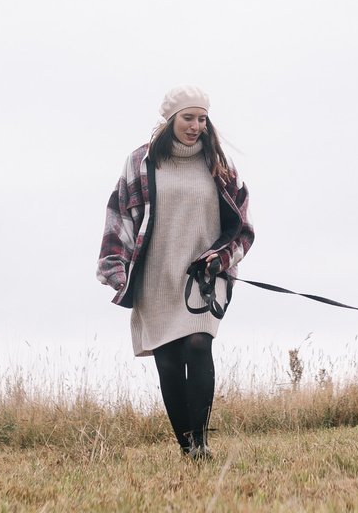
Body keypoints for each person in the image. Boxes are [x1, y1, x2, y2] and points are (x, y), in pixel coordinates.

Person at [96, 85, 254, 456]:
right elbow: (120, 213)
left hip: (203, 275)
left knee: (199, 344)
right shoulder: (142, 161)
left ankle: (201, 442)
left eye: (202, 118)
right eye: (188, 118)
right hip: (155, 276)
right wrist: (115, 268)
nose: (196, 125)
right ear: (170, 120)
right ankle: (186, 446)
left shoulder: (220, 165)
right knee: (168, 362)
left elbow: (242, 226)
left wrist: (224, 256)